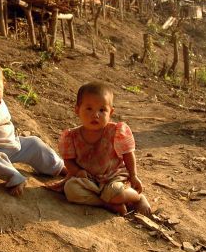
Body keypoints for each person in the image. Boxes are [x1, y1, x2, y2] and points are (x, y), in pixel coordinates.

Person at [0, 60, 65, 196]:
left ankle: (58, 167)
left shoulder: (2, 104)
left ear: (4, 85)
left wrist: (16, 142)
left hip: (13, 145)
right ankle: (15, 177)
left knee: (34, 143)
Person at [48, 81, 151, 215]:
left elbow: (128, 154)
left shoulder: (115, 132)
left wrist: (133, 176)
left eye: (102, 110)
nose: (95, 114)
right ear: (77, 109)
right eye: (89, 108)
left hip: (112, 178)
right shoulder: (71, 136)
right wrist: (78, 172)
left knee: (116, 193)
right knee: (71, 190)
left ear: (111, 112)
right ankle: (106, 204)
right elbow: (69, 160)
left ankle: (137, 198)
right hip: (88, 181)